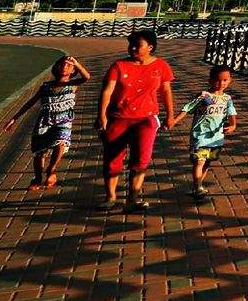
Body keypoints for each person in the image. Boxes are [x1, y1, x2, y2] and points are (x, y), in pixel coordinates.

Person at [97, 30, 177, 211]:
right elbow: (107, 92)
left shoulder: (161, 66)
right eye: (131, 44)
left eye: (137, 45)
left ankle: (132, 199)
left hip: (146, 119)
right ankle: (110, 197)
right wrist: (101, 116)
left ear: (150, 47)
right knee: (112, 159)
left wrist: (170, 115)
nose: (132, 48)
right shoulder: (119, 66)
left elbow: (166, 91)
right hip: (119, 117)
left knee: (141, 159)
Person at [2, 55, 92, 190]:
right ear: (56, 67)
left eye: (69, 66)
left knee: (61, 142)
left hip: (63, 120)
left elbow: (87, 77)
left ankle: (52, 169)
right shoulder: (46, 86)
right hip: (44, 121)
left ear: (74, 71)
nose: (64, 67)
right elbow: (31, 102)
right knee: (39, 152)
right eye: (62, 64)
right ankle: (37, 178)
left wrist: (76, 63)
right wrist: (14, 118)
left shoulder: (72, 84)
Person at [177, 65, 238, 201]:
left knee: (207, 162)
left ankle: (197, 186)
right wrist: (174, 120)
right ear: (210, 80)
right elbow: (187, 108)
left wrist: (233, 125)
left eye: (225, 80)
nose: (221, 83)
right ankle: (198, 187)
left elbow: (232, 113)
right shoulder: (204, 96)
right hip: (200, 135)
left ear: (230, 80)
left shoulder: (227, 99)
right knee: (199, 161)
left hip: (216, 138)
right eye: (217, 80)